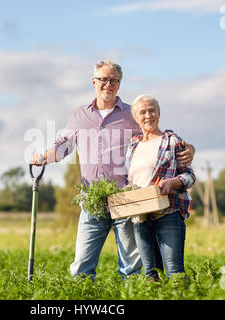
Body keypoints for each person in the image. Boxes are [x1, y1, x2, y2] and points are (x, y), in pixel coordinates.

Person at [29, 60, 195, 280]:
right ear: (94, 81)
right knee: (82, 266)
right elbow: (63, 146)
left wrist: (188, 148)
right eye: (103, 79)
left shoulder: (131, 114)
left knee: (132, 267)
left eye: (114, 80)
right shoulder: (80, 114)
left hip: (126, 200)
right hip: (92, 200)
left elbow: (155, 136)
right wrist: (43, 157)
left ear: (119, 84)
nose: (108, 84)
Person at [126, 94, 196, 281]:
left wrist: (171, 183)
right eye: (143, 112)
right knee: (151, 275)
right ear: (135, 117)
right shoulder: (133, 146)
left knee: (175, 274)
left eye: (152, 110)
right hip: (140, 217)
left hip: (168, 213)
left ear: (159, 113)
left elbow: (190, 176)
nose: (148, 115)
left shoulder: (172, 141)